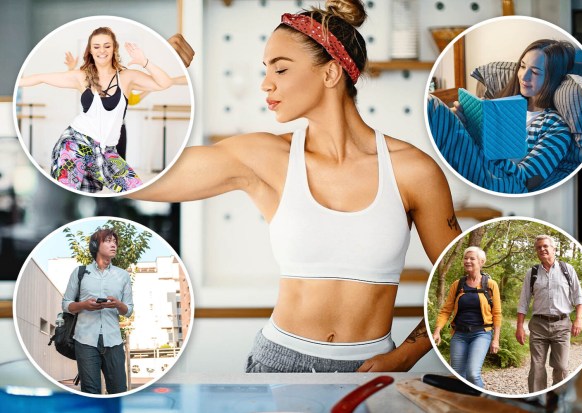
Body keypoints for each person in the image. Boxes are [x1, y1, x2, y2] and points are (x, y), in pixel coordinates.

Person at [132, 0, 461, 372]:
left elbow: (466, 279)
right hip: (279, 364)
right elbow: (129, 182)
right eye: (266, 69)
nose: (265, 83)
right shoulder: (262, 157)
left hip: (372, 369)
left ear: (331, 74)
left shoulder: (413, 171)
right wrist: (159, 82)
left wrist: (404, 356)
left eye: (281, 69)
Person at [19, 26, 175, 193]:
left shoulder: (127, 77)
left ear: (114, 48)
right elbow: (40, 78)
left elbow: (165, 83)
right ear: (90, 50)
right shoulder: (82, 76)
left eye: (107, 46)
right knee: (69, 196)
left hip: (107, 150)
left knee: (137, 190)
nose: (102, 50)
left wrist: (144, 61)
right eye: (96, 46)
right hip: (74, 143)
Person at [427, 39, 576, 194]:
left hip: (504, 181)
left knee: (431, 103)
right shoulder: (495, 105)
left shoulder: (556, 126)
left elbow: (526, 179)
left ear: (552, 78)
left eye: (536, 72)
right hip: (475, 163)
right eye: (523, 66)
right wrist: (459, 123)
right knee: (436, 111)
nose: (524, 77)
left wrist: (491, 150)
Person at [62, 50, 189, 160]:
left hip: (117, 129)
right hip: (92, 130)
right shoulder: (89, 78)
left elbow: (134, 99)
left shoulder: (124, 81)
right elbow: (75, 81)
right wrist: (71, 69)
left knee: (119, 161)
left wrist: (154, 86)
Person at [62, 228, 133, 394]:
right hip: (85, 341)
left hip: (114, 341)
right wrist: (83, 305)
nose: (113, 245)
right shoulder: (80, 273)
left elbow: (128, 310)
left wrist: (117, 304)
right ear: (95, 245)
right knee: (90, 391)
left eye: (115, 242)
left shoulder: (122, 276)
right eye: (108, 241)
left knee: (119, 391)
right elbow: (66, 304)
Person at [516, 235, 582, 393]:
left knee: (561, 366)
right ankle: (536, 401)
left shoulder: (567, 269)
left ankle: (557, 400)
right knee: (537, 367)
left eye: (545, 246)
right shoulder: (532, 273)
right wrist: (519, 327)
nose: (542, 249)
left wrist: (578, 319)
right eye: (539, 247)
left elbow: (578, 297)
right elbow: (523, 302)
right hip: (538, 325)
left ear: (554, 249)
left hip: (562, 325)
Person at [432, 246, 501, 388]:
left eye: (472, 258)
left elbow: (497, 313)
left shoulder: (490, 285)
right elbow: (446, 310)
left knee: (472, 373)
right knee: (458, 375)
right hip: (459, 334)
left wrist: (496, 339)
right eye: (465, 258)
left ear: (481, 262)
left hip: (481, 333)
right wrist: (437, 330)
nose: (467, 261)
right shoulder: (458, 285)